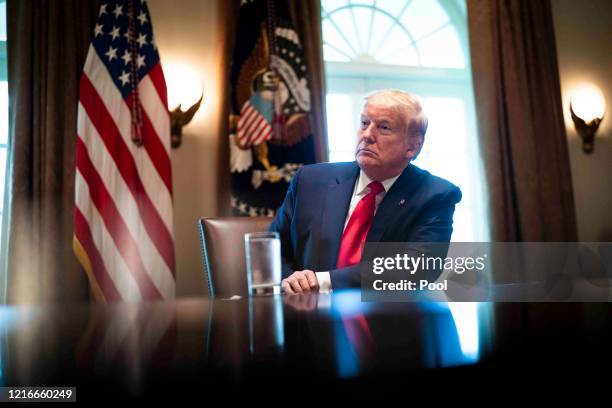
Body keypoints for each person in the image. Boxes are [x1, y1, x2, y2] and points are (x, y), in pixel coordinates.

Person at [269, 89, 461, 294]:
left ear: (412, 147)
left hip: (388, 319)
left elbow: (418, 268)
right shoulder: (310, 181)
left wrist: (323, 280)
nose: (367, 135)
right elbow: (272, 250)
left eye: (384, 127)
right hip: (306, 315)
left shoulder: (435, 195)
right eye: (364, 123)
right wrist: (293, 281)